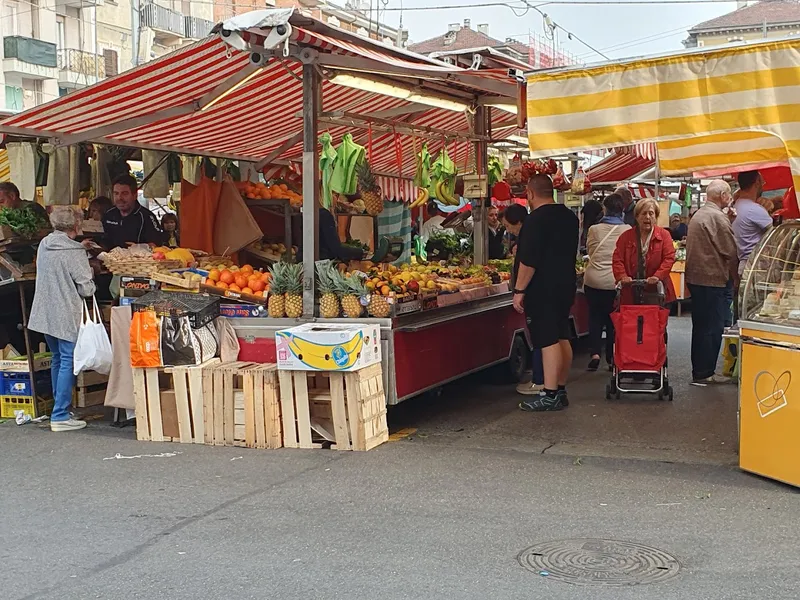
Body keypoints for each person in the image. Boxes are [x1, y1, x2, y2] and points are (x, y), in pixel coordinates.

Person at [513, 174, 579, 411]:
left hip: (542, 288)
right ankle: (560, 389)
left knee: (547, 338)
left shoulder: (535, 220)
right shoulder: (569, 217)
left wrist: (519, 290)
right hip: (565, 284)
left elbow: (529, 260)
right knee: (562, 335)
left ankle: (549, 393)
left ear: (530, 193)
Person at [28, 207, 96, 432]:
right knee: (68, 359)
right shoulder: (73, 252)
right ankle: (60, 416)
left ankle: (60, 408)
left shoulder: (46, 244)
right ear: (76, 226)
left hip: (44, 311)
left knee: (58, 357)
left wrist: (80, 249)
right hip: (65, 311)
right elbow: (86, 288)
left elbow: (60, 261)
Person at [685, 180, 738, 384]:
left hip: (696, 278)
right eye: (729, 194)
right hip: (712, 279)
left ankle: (699, 370)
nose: (730, 198)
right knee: (712, 327)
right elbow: (730, 250)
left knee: (700, 327)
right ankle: (705, 372)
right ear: (723, 195)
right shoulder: (716, 217)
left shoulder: (701, 214)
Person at [584, 193, 630, 371]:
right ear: (622, 209)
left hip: (593, 280)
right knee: (613, 320)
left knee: (595, 317)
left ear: (605, 209)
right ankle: (611, 358)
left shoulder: (594, 230)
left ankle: (595, 353)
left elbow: (589, 249)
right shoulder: (627, 230)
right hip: (615, 282)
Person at [502, 203, 545, 395]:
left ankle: (540, 381)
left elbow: (528, 265)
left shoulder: (528, 237)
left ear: (518, 222)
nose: (508, 231)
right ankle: (547, 381)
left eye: (508, 226)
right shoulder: (531, 234)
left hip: (535, 293)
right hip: (541, 292)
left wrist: (519, 291)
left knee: (539, 337)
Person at [612, 198, 677, 304]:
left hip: (656, 291)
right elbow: (617, 260)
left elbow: (669, 258)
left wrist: (657, 276)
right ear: (637, 217)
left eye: (651, 213)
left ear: (655, 217)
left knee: (655, 319)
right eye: (643, 213)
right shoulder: (625, 237)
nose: (647, 217)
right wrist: (622, 276)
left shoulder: (664, 235)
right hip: (630, 291)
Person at [101, 174, 167, 250]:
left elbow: (156, 245)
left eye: (124, 193)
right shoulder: (108, 214)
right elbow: (102, 241)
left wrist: (139, 247)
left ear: (135, 195)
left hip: (137, 261)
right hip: (109, 260)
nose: (119, 198)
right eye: (116, 193)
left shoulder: (147, 217)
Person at [732, 170, 772, 277]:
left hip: (743, 265)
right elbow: (775, 236)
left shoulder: (736, 206)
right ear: (757, 182)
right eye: (762, 183)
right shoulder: (754, 209)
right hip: (756, 266)